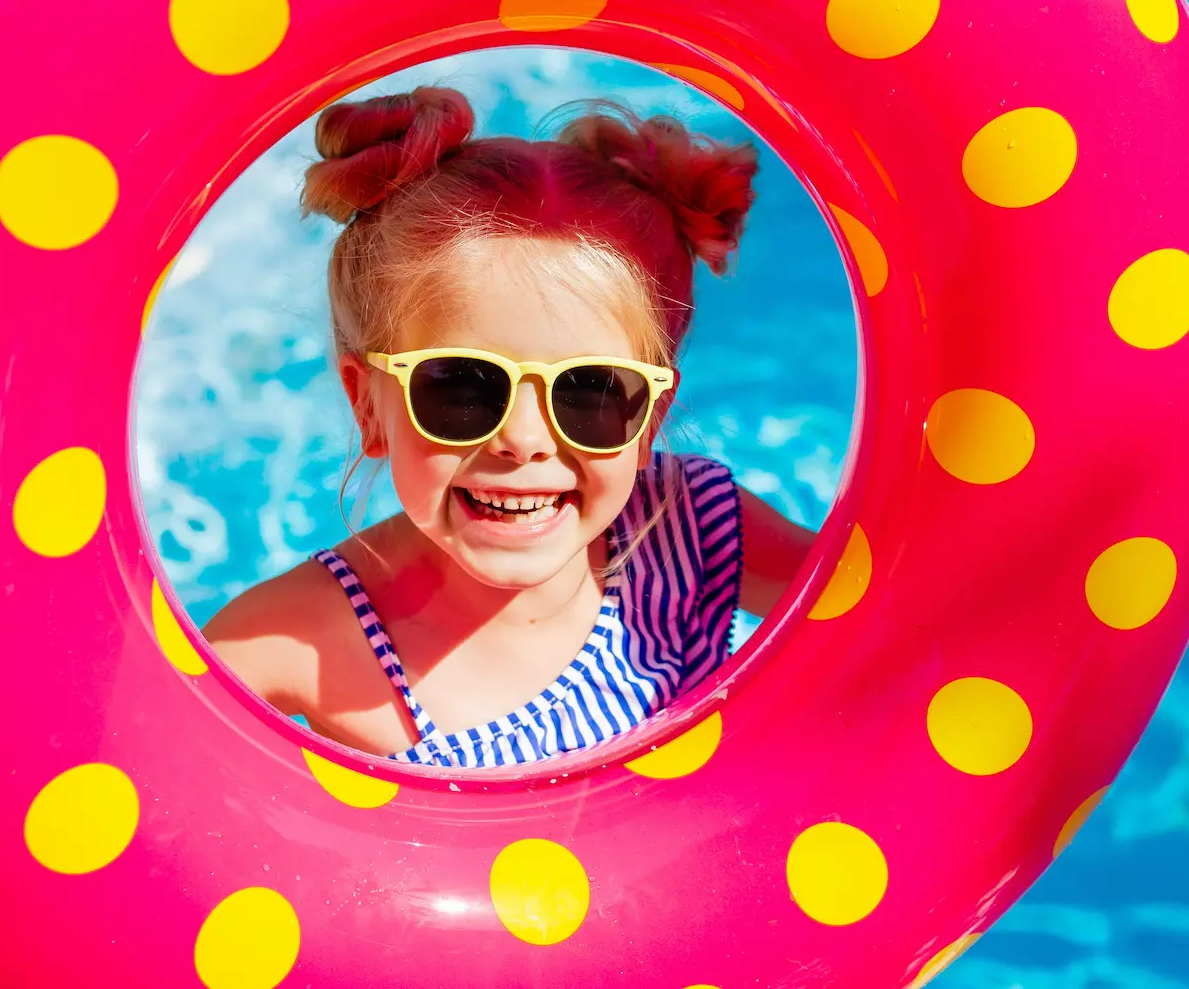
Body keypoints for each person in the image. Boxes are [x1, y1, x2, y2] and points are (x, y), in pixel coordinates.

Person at [205, 86, 813, 768]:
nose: (524, 440)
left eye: (591, 392)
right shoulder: (301, 639)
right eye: (462, 386)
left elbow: (903, 620)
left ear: (647, 421)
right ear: (367, 403)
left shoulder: (693, 532)